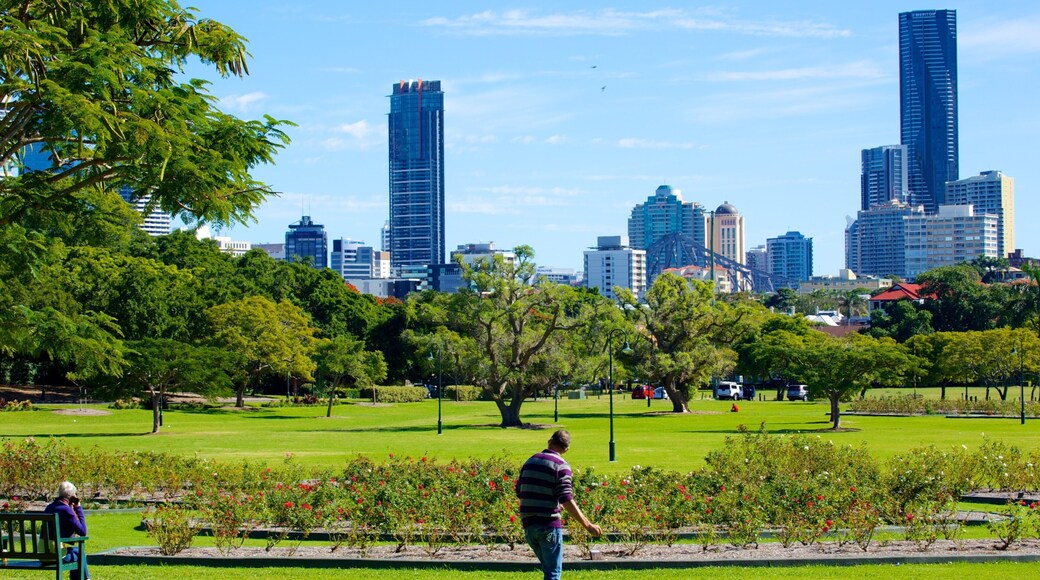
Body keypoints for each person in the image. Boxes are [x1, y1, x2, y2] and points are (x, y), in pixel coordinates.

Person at [516, 429, 602, 580]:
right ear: (566, 449)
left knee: (548, 570)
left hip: (528, 525)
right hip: (548, 524)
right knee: (553, 574)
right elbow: (566, 498)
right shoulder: (561, 466)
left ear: (550, 441)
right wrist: (588, 525)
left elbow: (520, 491)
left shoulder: (530, 461)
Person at [44, 481, 89, 580]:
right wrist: (78, 508)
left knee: (77, 551)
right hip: (55, 555)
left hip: (43, 553)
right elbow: (83, 532)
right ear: (72, 496)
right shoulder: (66, 510)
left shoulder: (49, 508)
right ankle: (87, 579)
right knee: (80, 554)